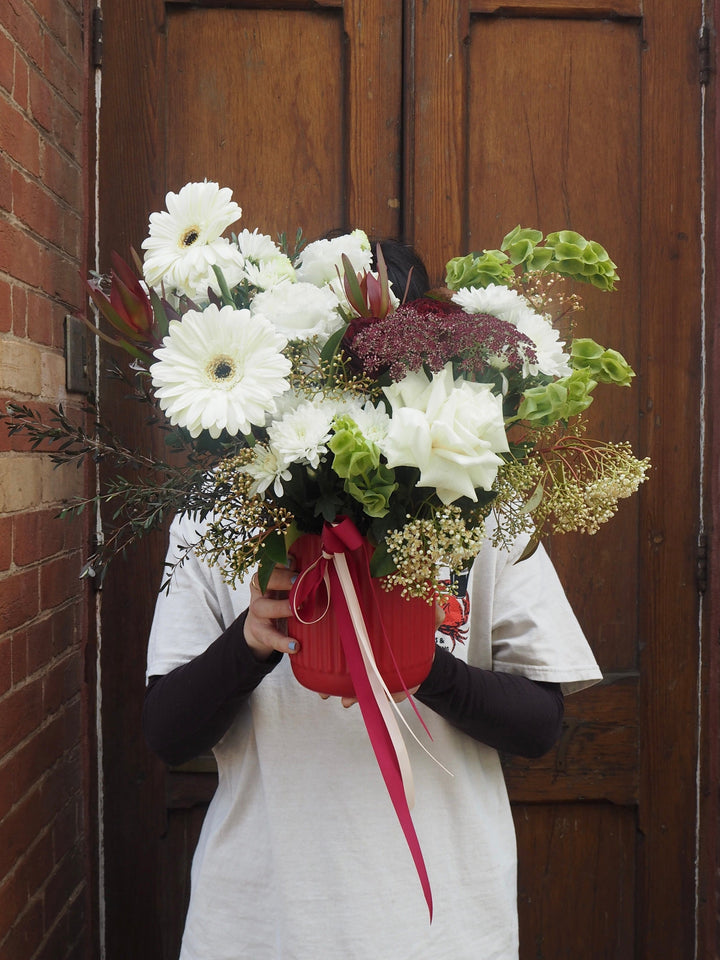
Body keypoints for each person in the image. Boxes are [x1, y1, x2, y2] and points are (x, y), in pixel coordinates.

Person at [143, 243, 602, 959]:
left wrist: (418, 661)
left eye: (387, 349)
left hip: (444, 929)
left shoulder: (487, 504)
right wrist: (252, 642)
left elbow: (541, 724)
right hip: (263, 924)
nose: (362, 372)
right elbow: (169, 734)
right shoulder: (219, 512)